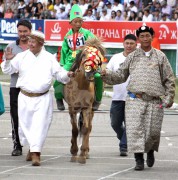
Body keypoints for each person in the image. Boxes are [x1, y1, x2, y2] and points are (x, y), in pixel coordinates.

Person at [101, 24, 175, 171]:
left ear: (152, 37)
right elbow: (121, 75)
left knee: (152, 132)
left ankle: (150, 151)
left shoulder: (160, 56)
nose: (145, 38)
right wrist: (106, 75)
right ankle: (138, 159)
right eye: (142, 36)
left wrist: (169, 97)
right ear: (139, 39)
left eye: (147, 35)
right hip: (135, 100)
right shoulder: (132, 56)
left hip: (154, 101)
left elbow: (169, 79)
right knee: (135, 130)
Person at [1, 30, 72, 166]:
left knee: (40, 125)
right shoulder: (21, 57)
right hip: (24, 97)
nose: (30, 44)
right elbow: (7, 70)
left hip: (43, 98)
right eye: (29, 41)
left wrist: (68, 74)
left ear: (41, 44)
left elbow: (59, 74)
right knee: (25, 125)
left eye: (33, 41)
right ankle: (32, 147)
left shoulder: (49, 58)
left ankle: (36, 154)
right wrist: (8, 61)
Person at [53, 4, 103, 111]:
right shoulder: (67, 36)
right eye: (75, 22)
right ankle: (59, 98)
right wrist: (62, 64)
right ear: (70, 23)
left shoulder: (87, 33)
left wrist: (94, 59)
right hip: (70, 61)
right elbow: (64, 50)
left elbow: (96, 45)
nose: (78, 24)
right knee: (58, 80)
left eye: (80, 21)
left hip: (85, 59)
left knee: (98, 77)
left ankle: (97, 100)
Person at [3, 20, 32, 156]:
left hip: (31, 88)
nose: (22, 34)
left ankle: (33, 145)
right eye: (20, 31)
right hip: (15, 87)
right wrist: (9, 60)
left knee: (31, 117)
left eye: (25, 31)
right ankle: (17, 145)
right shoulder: (10, 47)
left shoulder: (35, 46)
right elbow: (6, 69)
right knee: (15, 116)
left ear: (30, 31)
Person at [106, 34, 137, 156]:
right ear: (123, 44)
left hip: (134, 98)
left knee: (130, 123)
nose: (129, 46)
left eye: (131, 44)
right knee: (115, 123)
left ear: (136, 44)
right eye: (127, 43)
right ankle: (125, 139)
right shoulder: (115, 58)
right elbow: (108, 72)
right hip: (118, 97)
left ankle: (123, 146)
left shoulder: (139, 58)